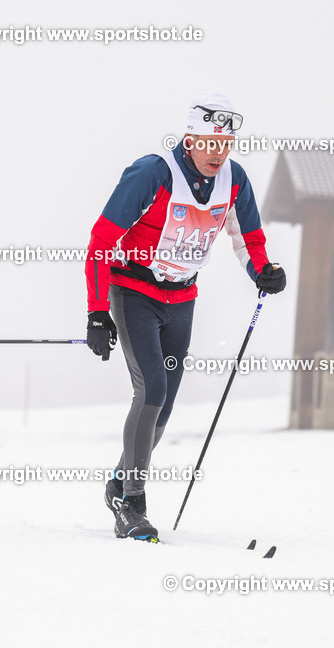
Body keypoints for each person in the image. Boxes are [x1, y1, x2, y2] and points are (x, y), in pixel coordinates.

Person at [85, 93, 287, 541]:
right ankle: (131, 503)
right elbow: (101, 241)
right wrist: (98, 313)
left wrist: (264, 271)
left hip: (182, 299)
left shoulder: (234, 180)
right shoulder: (153, 172)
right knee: (151, 387)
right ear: (190, 138)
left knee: (165, 406)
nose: (218, 152)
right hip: (135, 291)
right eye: (210, 142)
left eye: (226, 143)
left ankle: (119, 481)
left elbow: (247, 236)